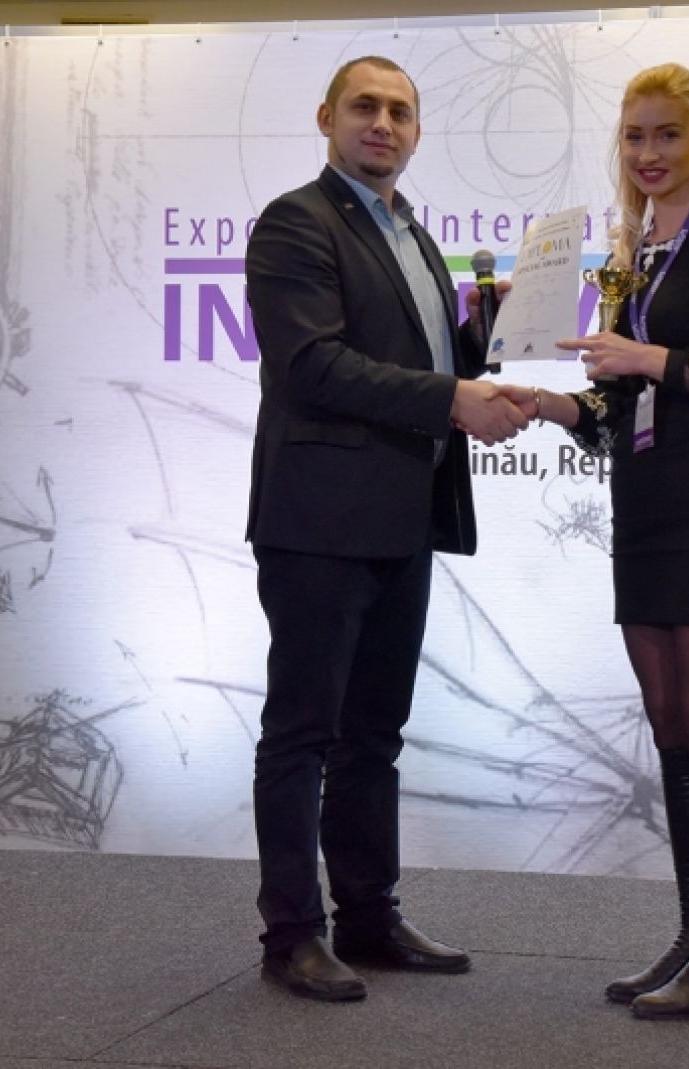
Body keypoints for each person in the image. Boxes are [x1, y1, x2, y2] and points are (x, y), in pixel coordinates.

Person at [243, 55, 534, 1002]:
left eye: (400, 112)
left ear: (416, 131)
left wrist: (485, 341)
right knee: (303, 733)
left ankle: (369, 915)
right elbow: (314, 365)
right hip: (318, 518)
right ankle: (293, 933)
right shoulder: (296, 222)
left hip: (403, 516)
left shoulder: (413, 230)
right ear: (327, 117)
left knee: (375, 733)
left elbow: (423, 359)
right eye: (365, 107)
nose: (383, 123)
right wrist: (453, 396)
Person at [525, 63, 689, 1019]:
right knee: (669, 726)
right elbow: (612, 415)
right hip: (642, 514)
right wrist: (546, 402)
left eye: (667, 134)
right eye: (635, 136)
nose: (649, 153)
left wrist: (650, 355)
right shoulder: (630, 256)